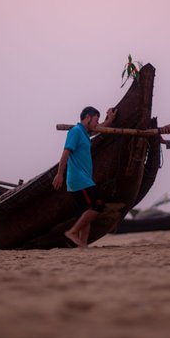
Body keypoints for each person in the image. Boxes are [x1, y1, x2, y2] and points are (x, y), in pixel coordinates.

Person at [52, 106, 117, 248]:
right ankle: (72, 232)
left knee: (85, 211)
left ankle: (82, 244)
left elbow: (100, 128)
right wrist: (59, 174)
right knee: (98, 205)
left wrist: (110, 120)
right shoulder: (75, 131)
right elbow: (66, 152)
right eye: (95, 120)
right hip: (79, 179)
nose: (96, 123)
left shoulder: (84, 133)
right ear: (87, 117)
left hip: (81, 179)